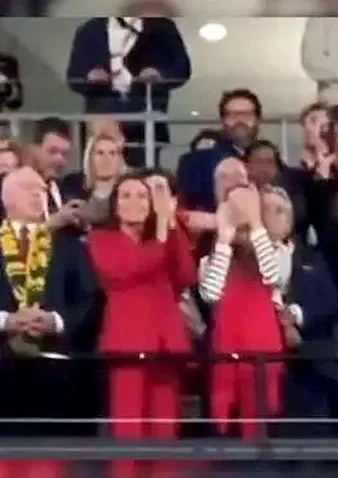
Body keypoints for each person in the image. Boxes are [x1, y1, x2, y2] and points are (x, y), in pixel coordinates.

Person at [87, 171, 196, 441]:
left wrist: (170, 222)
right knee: (129, 429)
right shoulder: (101, 239)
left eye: (143, 196)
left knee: (165, 430)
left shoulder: (164, 236)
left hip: (165, 343)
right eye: (126, 195)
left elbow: (186, 276)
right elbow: (127, 270)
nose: (135, 201)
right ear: (115, 205)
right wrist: (162, 232)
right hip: (127, 344)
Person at [0, 167, 97, 437]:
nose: (37, 195)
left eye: (42, 190)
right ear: (7, 198)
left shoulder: (69, 245)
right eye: (28, 189)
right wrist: (6, 321)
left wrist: (56, 322)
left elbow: (89, 299)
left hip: (55, 370)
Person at [198, 183, 284, 440]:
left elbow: (273, 276)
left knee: (258, 423)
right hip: (227, 345)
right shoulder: (214, 254)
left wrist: (256, 225)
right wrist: (225, 238)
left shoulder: (273, 248)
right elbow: (210, 293)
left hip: (261, 346)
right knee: (226, 426)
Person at [65, 2, 191, 167]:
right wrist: (89, 76)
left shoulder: (163, 28)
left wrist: (160, 75)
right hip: (101, 120)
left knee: (143, 176)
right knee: (100, 172)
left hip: (145, 121)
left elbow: (182, 69)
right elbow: (74, 75)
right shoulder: (89, 30)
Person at [261, 187, 338, 436]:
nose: (275, 215)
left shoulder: (312, 258)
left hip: (308, 361)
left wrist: (294, 314)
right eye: (267, 209)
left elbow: (330, 300)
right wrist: (279, 322)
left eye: (281, 210)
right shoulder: (243, 257)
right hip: (261, 357)